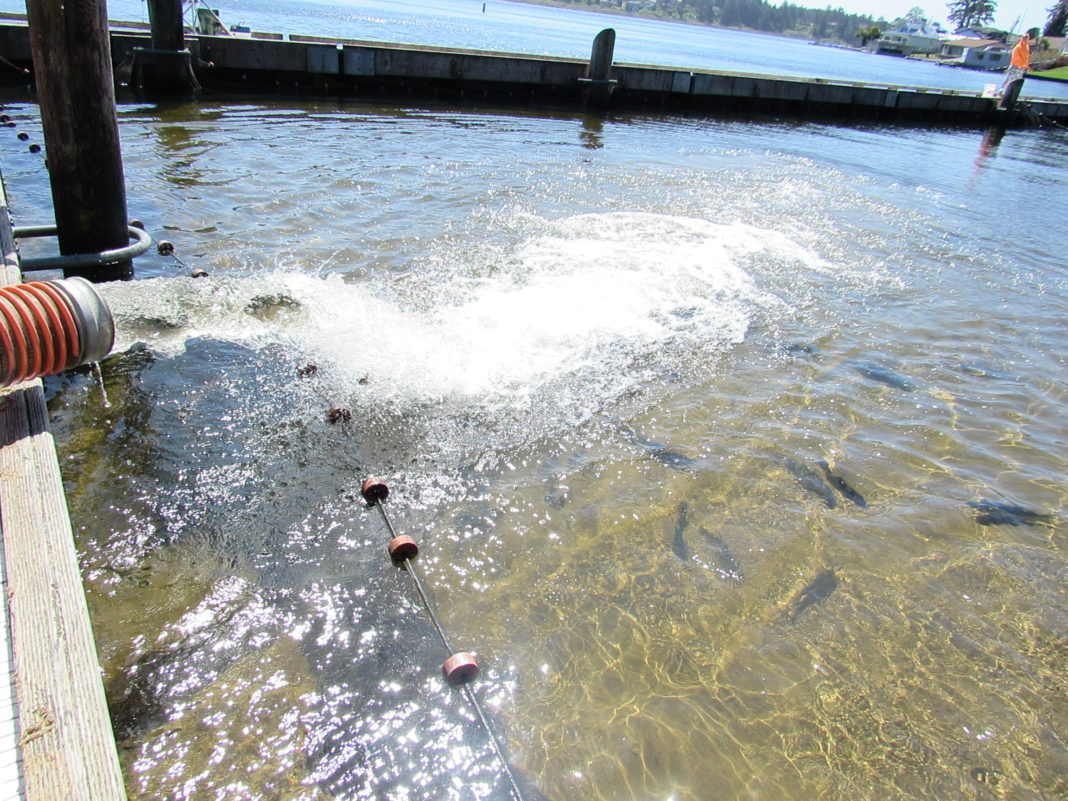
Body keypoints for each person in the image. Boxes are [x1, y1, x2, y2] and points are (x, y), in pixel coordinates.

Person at [999, 29, 1035, 95]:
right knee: (1009, 78)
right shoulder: (1018, 47)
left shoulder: (1026, 47)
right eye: (1023, 37)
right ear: (1021, 38)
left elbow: (1026, 57)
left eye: (1026, 38)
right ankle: (1001, 90)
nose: (1025, 39)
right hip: (1015, 66)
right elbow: (1015, 57)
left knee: (1016, 80)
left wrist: (1026, 66)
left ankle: (1009, 92)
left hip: (1022, 68)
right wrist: (1019, 64)